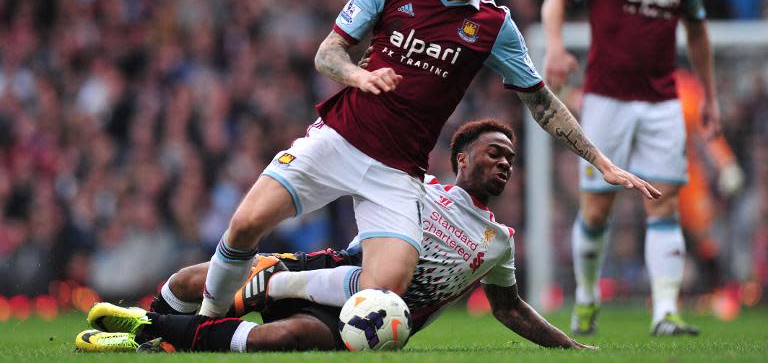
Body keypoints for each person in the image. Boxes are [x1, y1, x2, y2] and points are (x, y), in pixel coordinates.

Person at [197, 0, 660, 321]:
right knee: (244, 224)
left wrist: (601, 162)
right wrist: (359, 77)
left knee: (386, 290)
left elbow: (541, 101)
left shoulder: (493, 25)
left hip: (398, 172)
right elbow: (328, 53)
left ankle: (275, 282)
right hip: (339, 138)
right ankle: (206, 318)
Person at [76, 120, 595, 352]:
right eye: (494, 153)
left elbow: (509, 308)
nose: (505, 162)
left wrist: (568, 346)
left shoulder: (499, 241)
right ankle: (149, 324)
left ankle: (149, 333)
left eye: (510, 157)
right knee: (198, 279)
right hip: (333, 270)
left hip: (374, 323)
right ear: (462, 159)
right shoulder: (414, 186)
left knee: (284, 338)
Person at [540, 0, 719, 336]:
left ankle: (665, 313)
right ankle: (585, 298)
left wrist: (710, 96)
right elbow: (556, 0)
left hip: (662, 102)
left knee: (664, 206)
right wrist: (556, 47)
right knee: (596, 210)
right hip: (605, 101)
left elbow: (698, 33)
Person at [676, 68, 743, 292]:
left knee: (703, 234)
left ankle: (714, 291)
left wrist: (726, 163)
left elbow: (706, 129)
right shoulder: (631, 80)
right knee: (659, 227)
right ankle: (665, 296)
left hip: (684, 171)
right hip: (644, 173)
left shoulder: (685, 87)